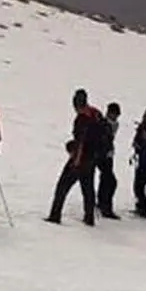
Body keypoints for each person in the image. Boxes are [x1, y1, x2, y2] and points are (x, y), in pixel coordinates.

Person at [45, 89, 105, 226]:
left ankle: (55, 215)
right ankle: (89, 218)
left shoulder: (81, 119)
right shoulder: (96, 113)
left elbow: (81, 141)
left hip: (81, 158)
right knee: (88, 188)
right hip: (93, 158)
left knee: (62, 187)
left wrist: (75, 158)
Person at [96, 102, 122, 219]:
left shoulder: (113, 124)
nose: (116, 117)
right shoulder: (104, 124)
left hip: (108, 155)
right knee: (111, 182)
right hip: (104, 155)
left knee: (105, 179)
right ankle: (106, 207)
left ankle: (101, 202)